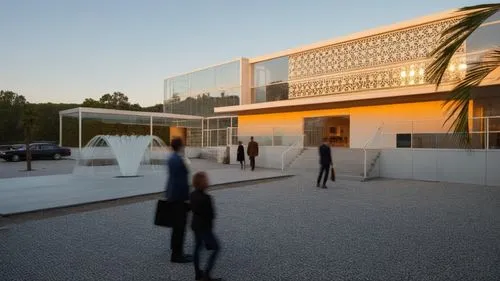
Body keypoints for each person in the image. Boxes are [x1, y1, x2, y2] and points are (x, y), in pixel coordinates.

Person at [190, 172, 221, 281]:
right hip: (204, 227)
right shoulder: (206, 198)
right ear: (202, 183)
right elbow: (211, 215)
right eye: (206, 180)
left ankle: (198, 273)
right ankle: (206, 274)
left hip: (195, 225)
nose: (208, 181)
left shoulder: (192, 194)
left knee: (197, 248)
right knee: (216, 248)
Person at [165, 137, 192, 263]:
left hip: (172, 196)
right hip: (179, 198)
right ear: (180, 146)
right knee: (180, 227)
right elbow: (182, 181)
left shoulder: (171, 158)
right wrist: (187, 199)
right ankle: (177, 255)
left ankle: (176, 250)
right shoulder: (179, 160)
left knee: (176, 226)